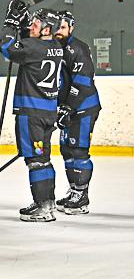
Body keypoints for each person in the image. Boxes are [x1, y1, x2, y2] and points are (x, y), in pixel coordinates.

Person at [0, 3, 65, 222]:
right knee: (43, 159)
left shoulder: (33, 48)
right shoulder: (55, 46)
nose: (32, 26)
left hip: (31, 113)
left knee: (35, 160)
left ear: (47, 29)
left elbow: (6, 47)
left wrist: (10, 24)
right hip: (48, 112)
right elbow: (29, 43)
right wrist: (25, 24)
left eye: (37, 23)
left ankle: (43, 207)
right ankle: (48, 203)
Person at [54, 11, 101, 214]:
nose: (59, 31)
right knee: (66, 149)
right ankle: (74, 191)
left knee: (79, 150)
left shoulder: (78, 48)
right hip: (69, 108)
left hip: (83, 108)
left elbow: (82, 82)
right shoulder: (54, 48)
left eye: (63, 27)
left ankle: (81, 197)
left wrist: (68, 107)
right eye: (56, 27)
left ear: (71, 28)